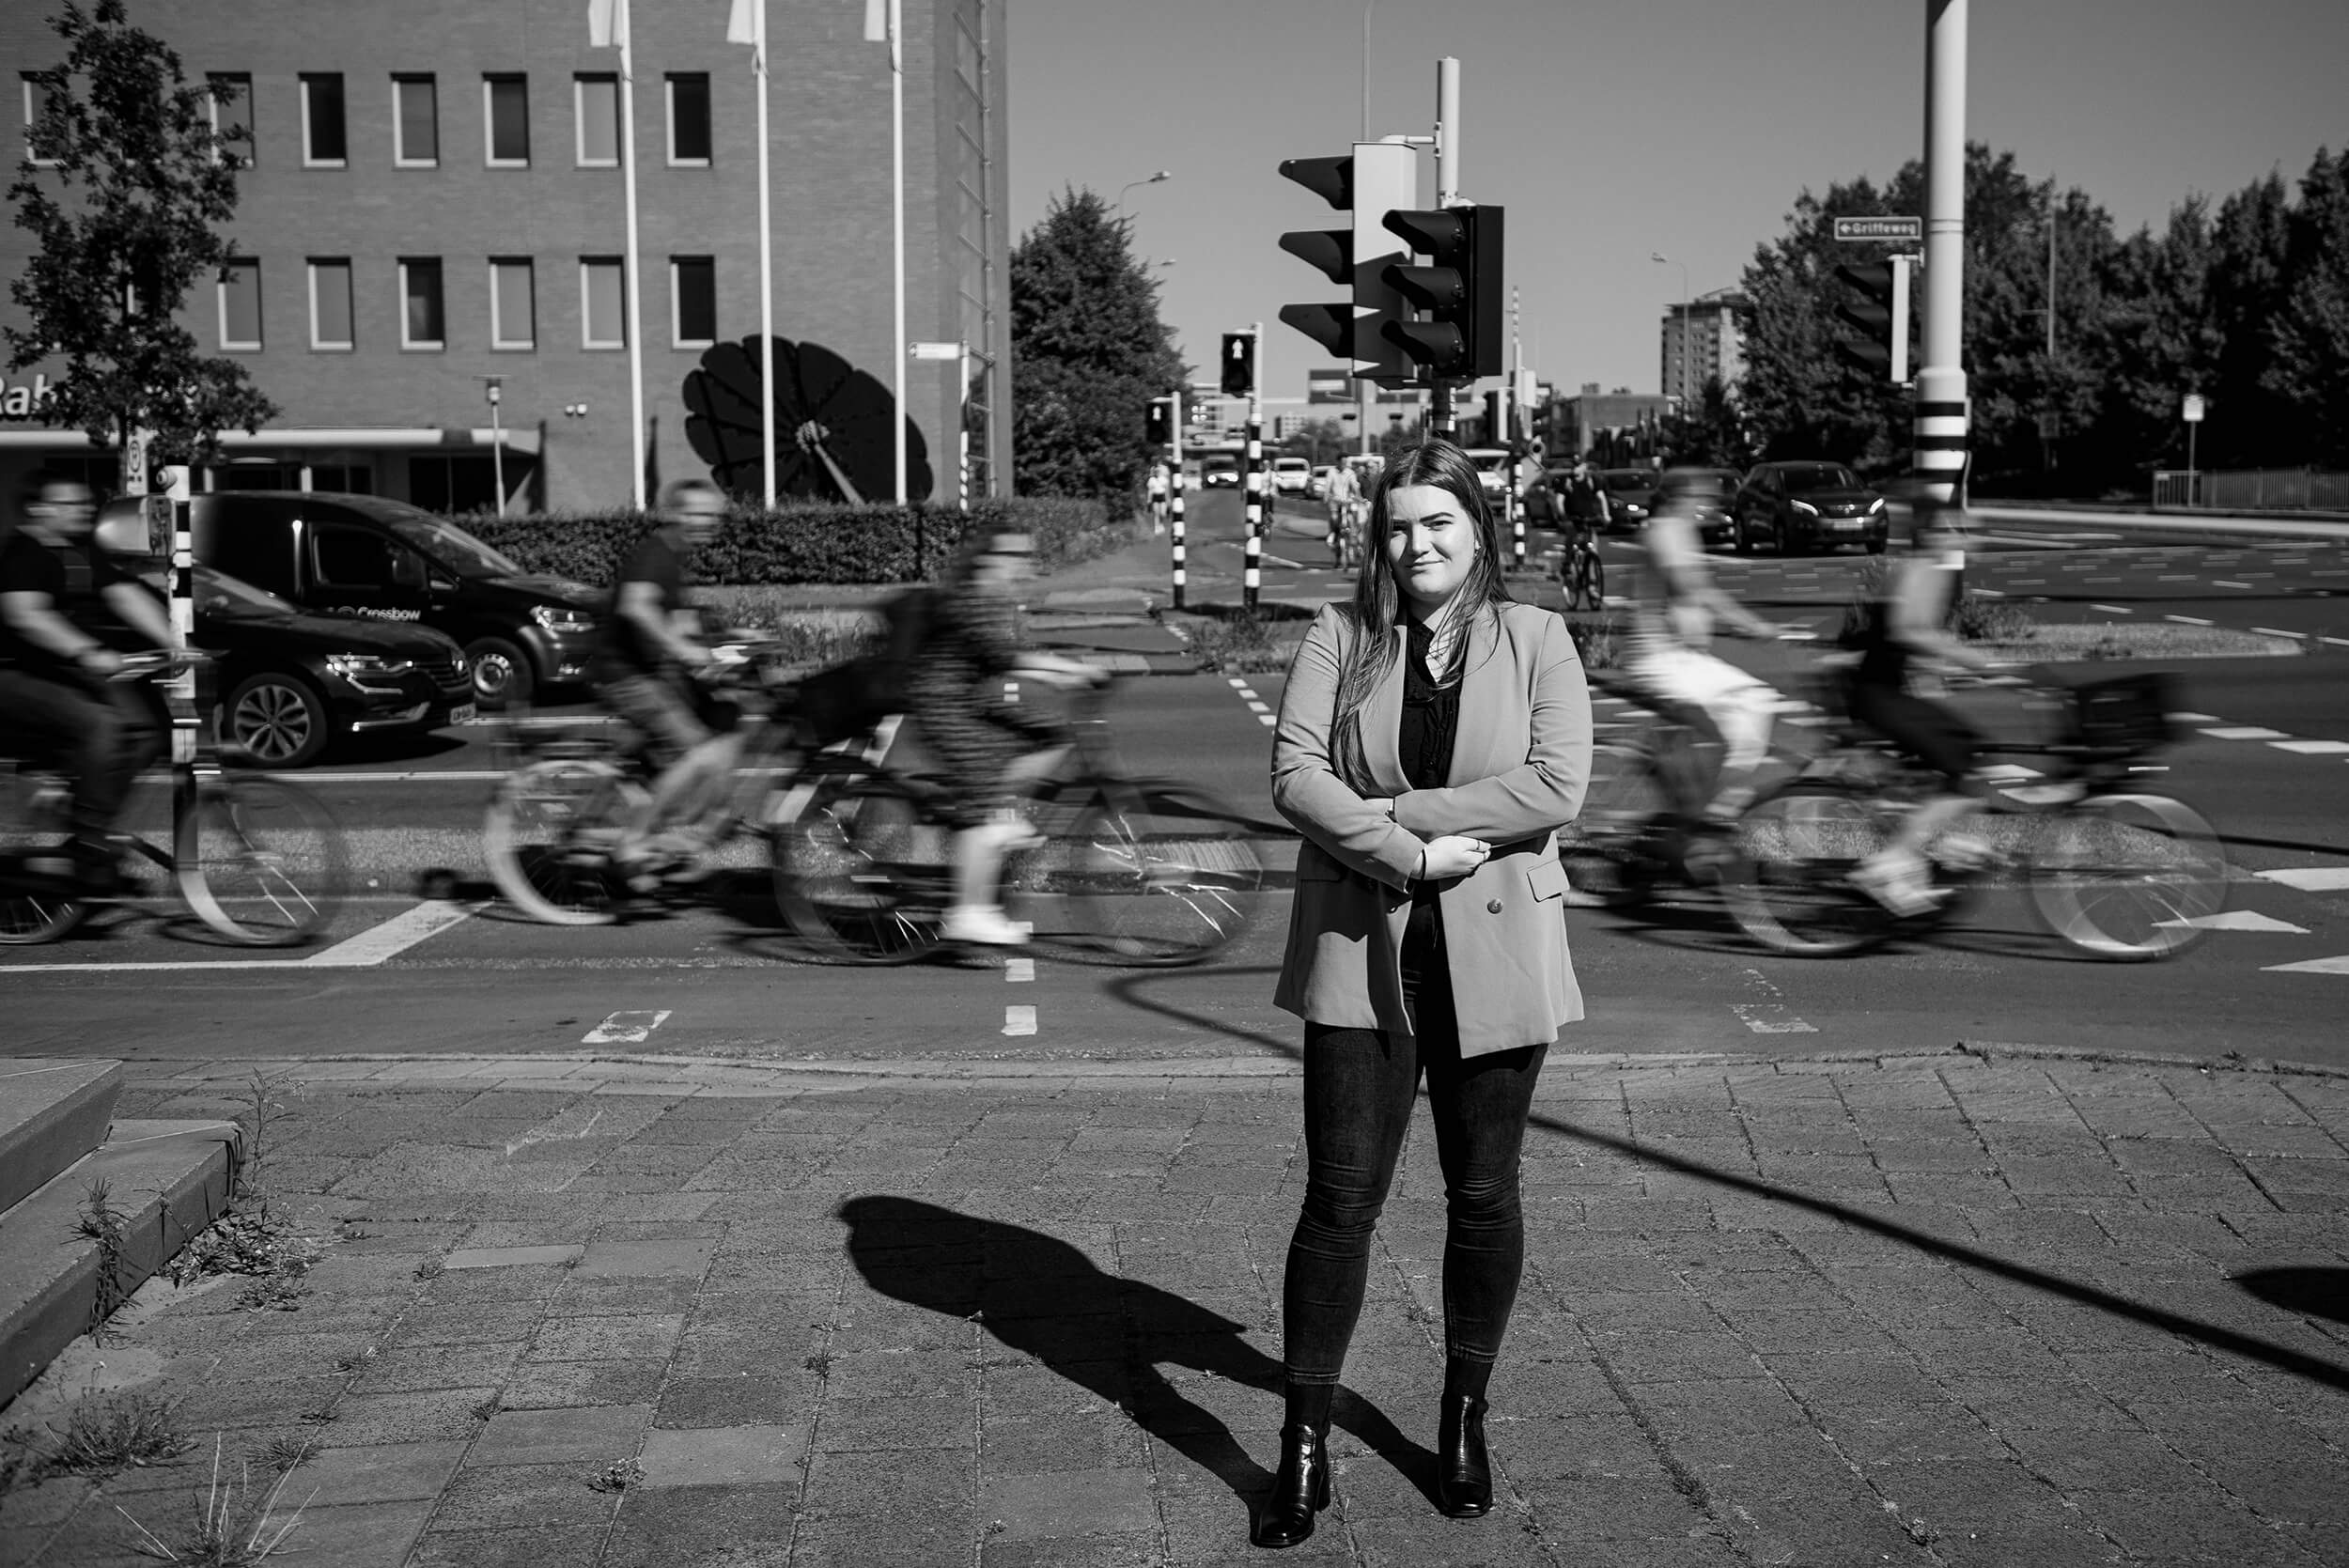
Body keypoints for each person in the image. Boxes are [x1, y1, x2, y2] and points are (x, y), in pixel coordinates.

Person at [1261, 439, 1593, 1548]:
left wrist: (1399, 813)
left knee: (1482, 1193)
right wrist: (1405, 852)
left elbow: (1557, 783)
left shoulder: (1537, 636)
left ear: (1478, 528)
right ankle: (1301, 1443)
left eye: (1438, 521)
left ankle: (1462, 1415)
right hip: (1364, 945)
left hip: (1498, 951)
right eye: (1398, 525)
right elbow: (1294, 774)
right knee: (1338, 1201)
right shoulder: (1340, 634)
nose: (1417, 544)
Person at [901, 529, 1097, 947]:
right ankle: (968, 914)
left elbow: (1004, 657)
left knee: (1050, 734)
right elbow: (1002, 655)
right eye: (1013, 554)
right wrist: (1070, 670)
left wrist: (1055, 676)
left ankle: (998, 810)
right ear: (986, 559)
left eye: (1026, 555)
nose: (1022, 563)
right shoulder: (973, 597)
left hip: (969, 700)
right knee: (980, 803)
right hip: (942, 706)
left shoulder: (995, 598)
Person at [0, 471, 178, 893]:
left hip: (60, 672)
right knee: (103, 724)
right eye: (69, 504)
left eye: (85, 503)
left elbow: (123, 593)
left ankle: (87, 821)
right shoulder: (23, 554)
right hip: (13, 674)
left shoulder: (80, 550)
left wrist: (174, 644)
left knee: (148, 731)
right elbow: (26, 615)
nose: (83, 510)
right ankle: (90, 840)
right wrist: (88, 653)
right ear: (38, 510)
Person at [1618, 467, 1797, 830]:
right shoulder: (1667, 531)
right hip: (1662, 660)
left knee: (1710, 735)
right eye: (1699, 498)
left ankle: (1690, 811)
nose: (1705, 505)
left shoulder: (1674, 531)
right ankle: (1711, 817)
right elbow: (1693, 588)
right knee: (1754, 703)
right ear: (1679, 498)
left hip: (1677, 657)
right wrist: (1752, 625)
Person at [1842, 501, 1997, 915]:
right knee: (1962, 769)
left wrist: (1946, 671)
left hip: (1883, 692)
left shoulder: (1926, 569)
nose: (1968, 538)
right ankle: (1888, 865)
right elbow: (1908, 631)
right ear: (1931, 534)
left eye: (1968, 530)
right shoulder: (1922, 570)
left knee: (1964, 751)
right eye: (1957, 530)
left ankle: (1932, 845)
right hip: (1879, 697)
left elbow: (1902, 640)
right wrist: (1976, 661)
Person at [585, 477, 739, 892]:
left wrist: (731, 644)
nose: (705, 523)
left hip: (647, 671)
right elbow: (637, 607)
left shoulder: (674, 558)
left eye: (712, 516)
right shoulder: (654, 555)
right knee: (699, 751)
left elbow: (680, 622)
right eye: (696, 514)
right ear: (673, 514)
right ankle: (632, 844)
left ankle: (673, 824)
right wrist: (684, 651)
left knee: (724, 717)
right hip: (623, 675)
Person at [1322, 459, 1361, 567]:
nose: (1344, 464)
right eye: (1342, 462)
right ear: (1338, 462)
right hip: (1335, 501)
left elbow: (1355, 486)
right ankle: (1333, 535)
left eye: (1345, 462)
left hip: (1347, 502)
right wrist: (1326, 496)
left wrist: (1358, 496)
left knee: (1353, 519)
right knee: (1334, 518)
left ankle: (1354, 539)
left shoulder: (1350, 473)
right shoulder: (1332, 472)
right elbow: (1328, 486)